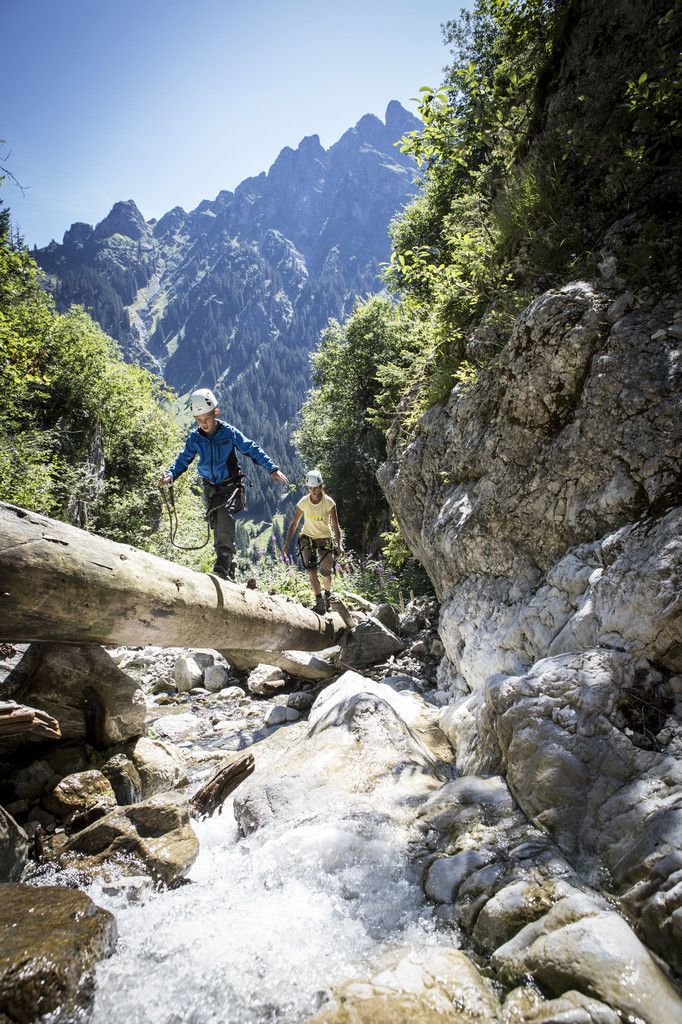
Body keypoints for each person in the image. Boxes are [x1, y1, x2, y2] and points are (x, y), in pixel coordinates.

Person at [159, 388, 288, 580]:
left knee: (224, 518)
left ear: (215, 413)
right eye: (199, 420)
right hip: (210, 488)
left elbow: (250, 448)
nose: (203, 424)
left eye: (207, 419)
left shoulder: (228, 433)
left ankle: (222, 564)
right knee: (217, 524)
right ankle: (230, 564)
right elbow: (183, 460)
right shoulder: (195, 438)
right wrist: (170, 475)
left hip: (230, 486)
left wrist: (272, 468)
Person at [283, 469, 343, 614]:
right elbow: (294, 523)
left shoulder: (329, 503)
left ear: (321, 486)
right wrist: (286, 544)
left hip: (324, 537)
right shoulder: (303, 502)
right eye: (311, 488)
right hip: (307, 537)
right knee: (311, 571)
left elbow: (335, 525)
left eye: (316, 488)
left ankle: (327, 597)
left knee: (326, 572)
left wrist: (339, 544)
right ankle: (319, 602)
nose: (314, 491)